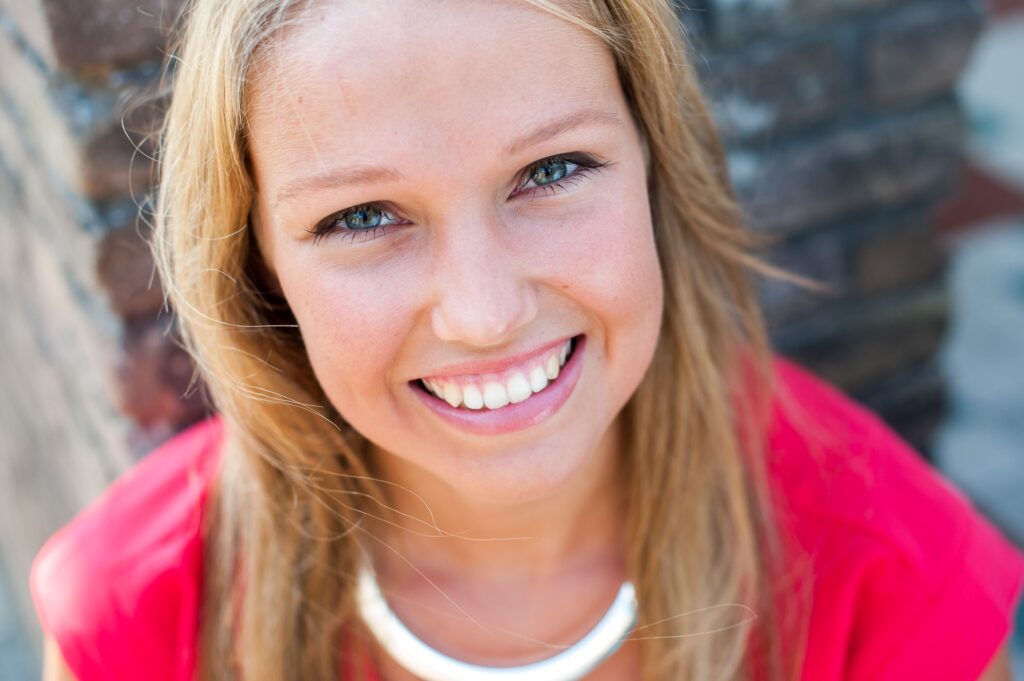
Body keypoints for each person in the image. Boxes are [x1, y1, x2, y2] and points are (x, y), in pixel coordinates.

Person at [29, 1, 1024, 680]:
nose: (485, 313)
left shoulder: (890, 579)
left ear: (653, 169)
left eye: (550, 171)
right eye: (364, 216)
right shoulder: (140, 614)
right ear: (258, 269)